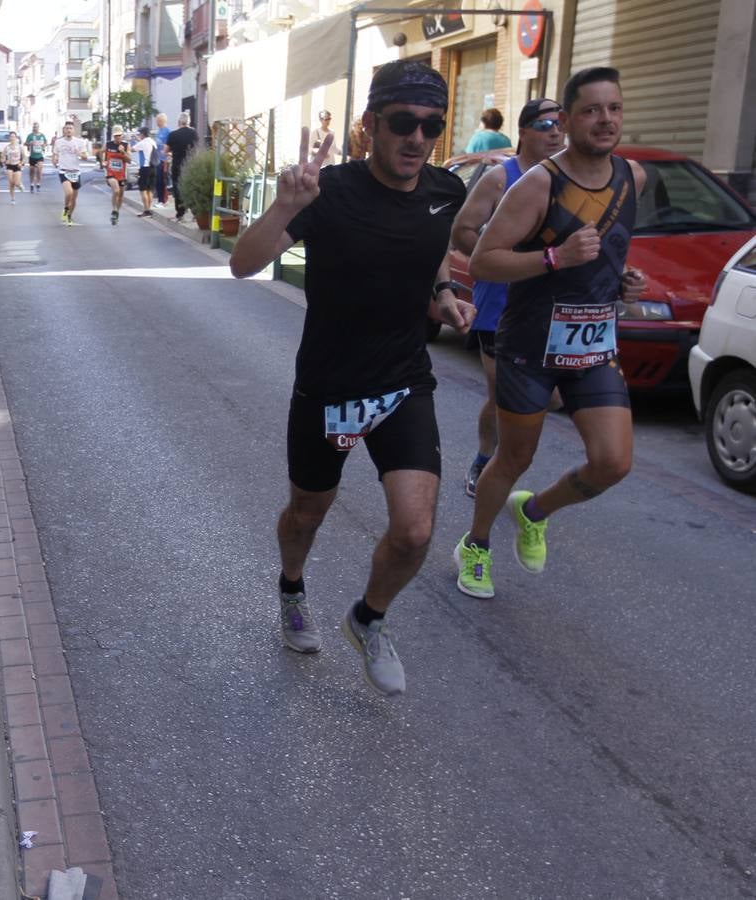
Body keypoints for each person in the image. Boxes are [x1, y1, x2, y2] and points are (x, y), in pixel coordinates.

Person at [228, 61, 473, 696]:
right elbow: (241, 264)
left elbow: (432, 245)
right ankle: (291, 588)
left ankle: (367, 618)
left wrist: (442, 292)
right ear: (371, 126)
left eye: (431, 125)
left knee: (416, 530)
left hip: (402, 385)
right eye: (402, 123)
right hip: (329, 390)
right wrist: (285, 205)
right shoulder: (325, 190)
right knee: (308, 513)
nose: (417, 138)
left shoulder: (446, 190)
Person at [454, 67, 648, 600]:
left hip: (594, 344)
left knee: (614, 462)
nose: (605, 120)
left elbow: (610, 250)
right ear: (567, 119)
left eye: (614, 108)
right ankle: (475, 545)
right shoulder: (539, 183)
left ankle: (535, 510)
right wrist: (554, 257)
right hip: (530, 346)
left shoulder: (634, 177)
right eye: (591, 110)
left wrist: (623, 284)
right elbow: (483, 260)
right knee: (514, 458)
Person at [450, 98, 565, 495]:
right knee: (502, 390)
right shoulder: (501, 177)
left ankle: (504, 460)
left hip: (549, 308)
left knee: (549, 398)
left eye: (560, 124)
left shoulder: (568, 180)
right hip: (498, 305)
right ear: (525, 131)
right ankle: (486, 459)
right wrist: (498, 255)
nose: (555, 132)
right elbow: (462, 230)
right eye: (546, 124)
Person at [52, 120, 90, 225]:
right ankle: (65, 209)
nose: (68, 130)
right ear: (64, 130)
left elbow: (86, 157)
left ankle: (69, 216)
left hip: (76, 172)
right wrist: (54, 160)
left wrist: (79, 153)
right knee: (69, 192)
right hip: (64, 171)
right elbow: (55, 154)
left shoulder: (80, 142)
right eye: (66, 128)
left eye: (70, 128)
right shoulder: (58, 142)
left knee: (74, 198)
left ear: (74, 130)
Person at [164, 112, 199, 223]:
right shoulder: (194, 133)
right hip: (190, 165)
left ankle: (180, 214)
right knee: (192, 188)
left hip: (178, 165)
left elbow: (166, 150)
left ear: (179, 122)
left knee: (178, 190)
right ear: (189, 121)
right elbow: (196, 148)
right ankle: (195, 214)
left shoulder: (173, 135)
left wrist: (173, 150)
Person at [102, 125, 131, 225]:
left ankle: (117, 212)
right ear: (113, 136)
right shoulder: (108, 145)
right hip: (110, 172)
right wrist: (103, 162)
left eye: (119, 135)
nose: (117, 137)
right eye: (115, 136)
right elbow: (101, 152)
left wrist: (123, 152)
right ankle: (114, 210)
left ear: (122, 135)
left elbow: (129, 160)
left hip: (121, 174)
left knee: (121, 195)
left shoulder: (126, 145)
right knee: (116, 190)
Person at [131, 126, 158, 218]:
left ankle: (146, 210)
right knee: (150, 190)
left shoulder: (142, 143)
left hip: (145, 168)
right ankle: (149, 209)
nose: (139, 135)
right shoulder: (153, 142)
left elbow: (131, 149)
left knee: (143, 190)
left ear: (143, 134)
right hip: (153, 167)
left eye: (140, 134)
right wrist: (138, 140)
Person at [154, 112, 171, 205]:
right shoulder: (158, 131)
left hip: (164, 160)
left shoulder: (168, 131)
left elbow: (170, 146)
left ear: (161, 121)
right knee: (158, 180)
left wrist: (168, 156)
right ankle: (160, 200)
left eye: (157, 120)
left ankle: (164, 200)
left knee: (162, 180)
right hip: (158, 159)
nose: (156, 122)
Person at [26, 122, 48, 193]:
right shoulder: (30, 135)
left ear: (39, 127)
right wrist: (30, 143)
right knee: (32, 171)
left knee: (39, 169)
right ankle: (32, 184)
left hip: (39, 156)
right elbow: (25, 143)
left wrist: (43, 145)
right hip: (32, 156)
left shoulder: (42, 135)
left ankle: (38, 184)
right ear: (33, 128)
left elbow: (46, 143)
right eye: (34, 127)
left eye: (37, 127)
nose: (36, 128)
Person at [3, 131, 25, 203]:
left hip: (17, 165)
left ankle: (19, 185)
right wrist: (4, 161)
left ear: (16, 138)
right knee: (11, 183)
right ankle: (13, 198)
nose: (12, 138)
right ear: (9, 138)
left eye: (13, 136)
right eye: (11, 136)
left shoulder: (19, 147)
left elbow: (24, 157)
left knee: (16, 183)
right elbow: (2, 157)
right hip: (9, 165)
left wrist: (21, 163)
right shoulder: (7, 147)